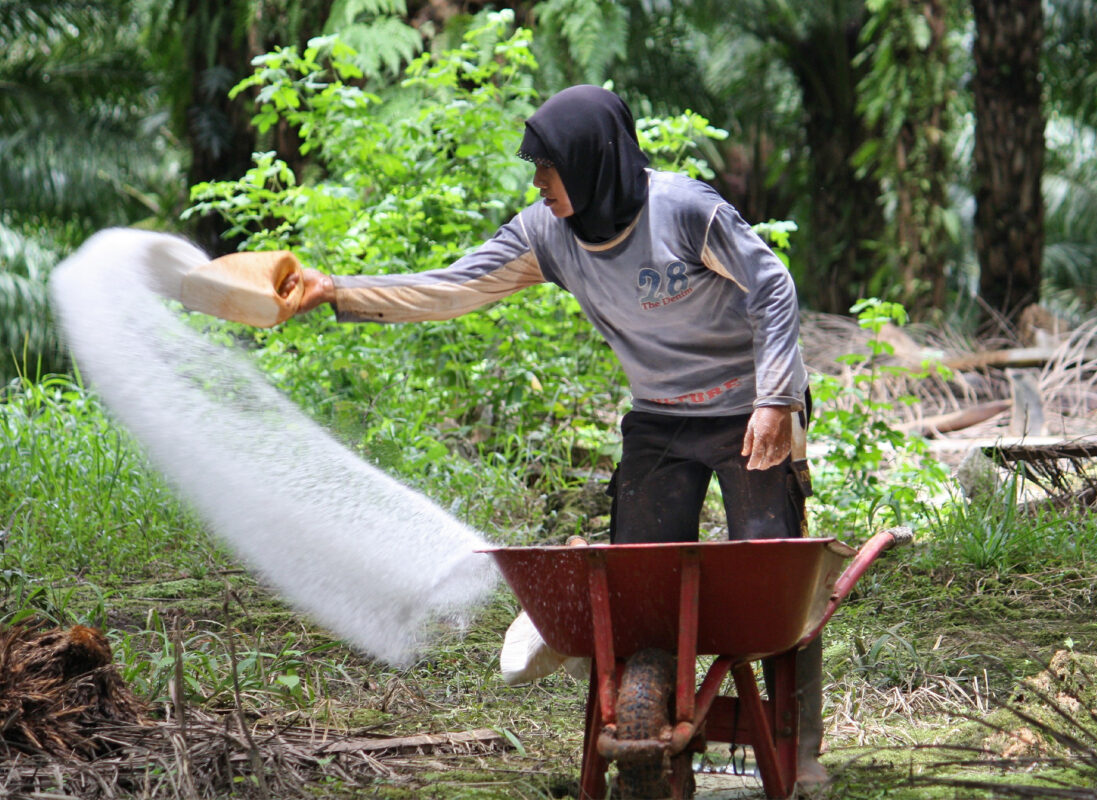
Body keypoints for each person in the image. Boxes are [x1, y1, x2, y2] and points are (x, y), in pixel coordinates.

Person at [288, 84, 825, 788]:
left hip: (752, 408)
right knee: (643, 592)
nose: (538, 184)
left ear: (593, 160)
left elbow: (773, 285)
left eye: (548, 167)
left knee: (771, 573)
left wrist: (776, 398)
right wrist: (338, 290)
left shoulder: (685, 211)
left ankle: (801, 747)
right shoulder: (547, 235)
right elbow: (456, 287)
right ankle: (659, 738)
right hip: (661, 418)